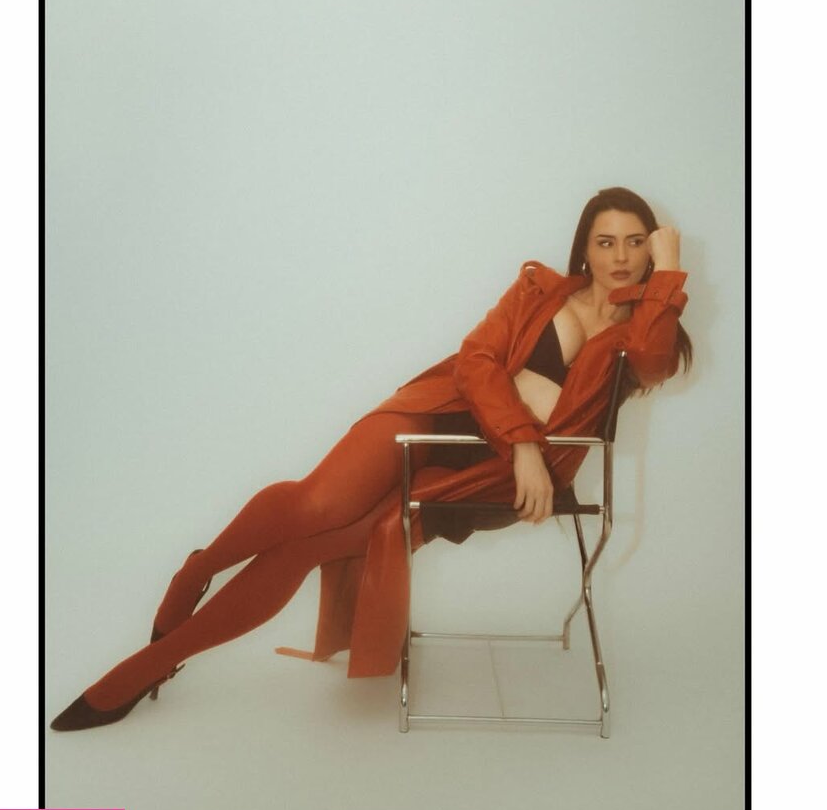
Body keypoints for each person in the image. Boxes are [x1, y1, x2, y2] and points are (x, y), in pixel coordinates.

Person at [50, 186, 692, 731]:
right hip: (437, 414)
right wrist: (524, 438)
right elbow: (476, 361)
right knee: (315, 505)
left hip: (483, 472)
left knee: (308, 549)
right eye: (606, 242)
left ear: (652, 250)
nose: (620, 257)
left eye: (636, 242)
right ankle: (199, 569)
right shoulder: (536, 290)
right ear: (584, 248)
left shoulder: (644, 330)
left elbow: (655, 361)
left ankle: (150, 665)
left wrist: (668, 273)